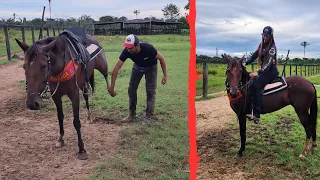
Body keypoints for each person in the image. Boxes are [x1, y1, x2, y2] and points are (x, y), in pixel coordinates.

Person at [108, 34, 167, 124]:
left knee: (150, 91)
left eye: (130, 47)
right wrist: (112, 86)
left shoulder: (148, 49)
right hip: (137, 67)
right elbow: (116, 68)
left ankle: (149, 116)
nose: (128, 49)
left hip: (151, 67)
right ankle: (132, 114)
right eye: (127, 47)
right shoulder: (126, 51)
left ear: (137, 45)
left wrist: (164, 75)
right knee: (131, 89)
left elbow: (162, 59)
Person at [242, 26, 279, 124]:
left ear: (271, 36)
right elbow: (254, 55)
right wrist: (246, 63)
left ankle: (257, 115)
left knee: (256, 85)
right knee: (250, 83)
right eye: (264, 35)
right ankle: (249, 110)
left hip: (271, 71)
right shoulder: (261, 45)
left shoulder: (272, 48)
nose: (265, 37)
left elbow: (268, 63)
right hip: (265, 71)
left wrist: (257, 73)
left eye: (267, 36)